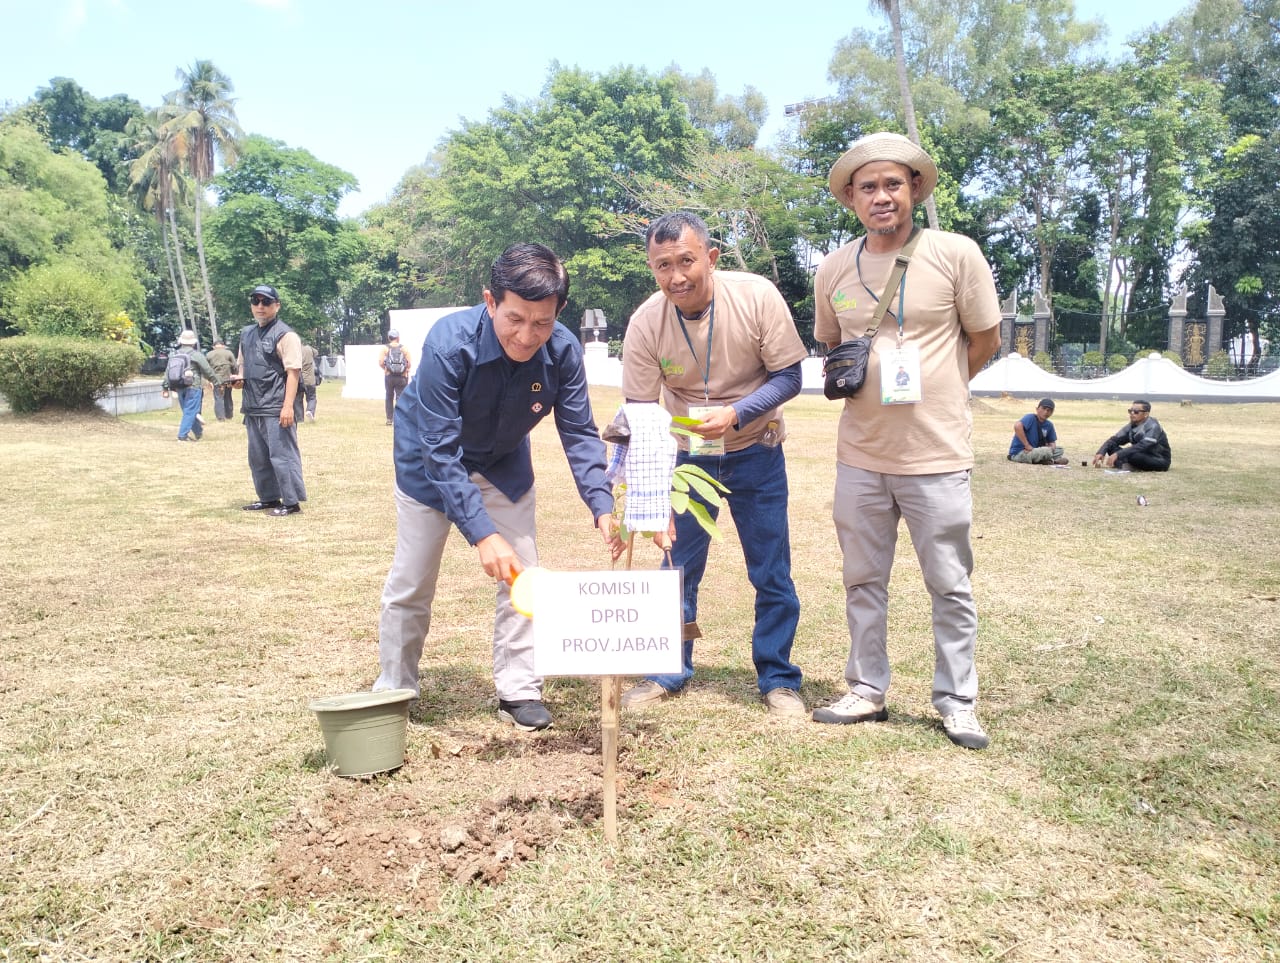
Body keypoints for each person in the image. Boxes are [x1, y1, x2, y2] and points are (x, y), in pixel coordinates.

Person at [372, 244, 622, 731]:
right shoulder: (449, 343)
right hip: (428, 467)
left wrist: (601, 502)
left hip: (504, 465)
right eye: (515, 319)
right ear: (490, 300)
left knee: (524, 576)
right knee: (412, 581)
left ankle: (519, 688)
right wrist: (483, 533)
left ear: (559, 311)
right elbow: (441, 452)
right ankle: (395, 687)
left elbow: (578, 430)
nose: (527, 336)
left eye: (542, 322)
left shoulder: (564, 350)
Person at [811, 132, 1002, 749]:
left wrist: (943, 388)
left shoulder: (955, 254)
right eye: (867, 187)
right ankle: (866, 689)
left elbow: (985, 341)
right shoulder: (834, 268)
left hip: (936, 454)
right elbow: (830, 343)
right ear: (851, 199)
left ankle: (957, 700)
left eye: (893, 183)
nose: (881, 196)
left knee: (949, 582)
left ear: (914, 189)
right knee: (862, 579)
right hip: (861, 455)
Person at [620, 211, 809, 719]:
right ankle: (667, 669)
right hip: (690, 460)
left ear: (710, 257)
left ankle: (777, 678)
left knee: (771, 570)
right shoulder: (645, 322)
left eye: (686, 260)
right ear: (652, 268)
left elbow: (790, 375)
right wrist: (646, 493)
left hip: (757, 449)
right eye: (663, 266)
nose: (677, 276)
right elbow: (640, 414)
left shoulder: (756, 296)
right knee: (677, 569)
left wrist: (738, 412)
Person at [233, 284, 307, 517]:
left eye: (266, 302)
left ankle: (291, 502)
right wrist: (238, 380)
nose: (260, 306)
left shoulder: (286, 335)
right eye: (256, 301)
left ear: (277, 306)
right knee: (258, 458)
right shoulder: (246, 334)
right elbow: (243, 366)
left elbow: (293, 372)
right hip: (253, 405)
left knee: (282, 456)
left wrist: (287, 407)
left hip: (276, 406)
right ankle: (268, 498)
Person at [1091, 400, 1171, 471]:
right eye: (1130, 411)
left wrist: (1118, 454)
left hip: (1158, 460)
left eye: (1136, 411)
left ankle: (1124, 464)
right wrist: (1101, 452)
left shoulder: (1153, 426)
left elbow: (1142, 446)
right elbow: (1113, 440)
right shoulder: (1131, 425)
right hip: (1139, 455)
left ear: (1146, 414)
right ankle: (1129, 465)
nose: (1132, 413)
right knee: (1111, 447)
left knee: (1131, 454)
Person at [170, 329, 220, 442]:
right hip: (193, 385)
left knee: (188, 411)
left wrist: (165, 386)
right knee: (190, 410)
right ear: (193, 343)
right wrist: (217, 382)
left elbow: (168, 371)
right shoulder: (196, 355)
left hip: (179, 386)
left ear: (181, 342)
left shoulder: (175, 355)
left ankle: (198, 432)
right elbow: (207, 370)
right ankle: (182, 436)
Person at [1008, 398, 1067, 464]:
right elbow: (1017, 426)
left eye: (1049, 410)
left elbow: (1052, 442)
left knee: (1059, 450)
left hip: (1036, 450)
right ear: (1037, 409)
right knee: (1046, 451)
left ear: (1052, 413)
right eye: (1044, 408)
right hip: (1021, 452)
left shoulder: (1049, 425)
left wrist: (1051, 448)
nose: (1046, 412)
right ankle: (1051, 460)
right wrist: (1027, 445)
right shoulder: (1030, 418)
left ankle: (1045, 459)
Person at [380, 328, 412, 425]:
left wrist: (387, 369)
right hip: (402, 377)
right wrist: (403, 370)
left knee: (389, 397)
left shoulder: (385, 348)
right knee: (400, 398)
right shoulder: (404, 348)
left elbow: (381, 362)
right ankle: (400, 419)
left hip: (389, 376)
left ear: (389, 338)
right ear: (398, 337)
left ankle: (389, 419)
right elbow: (409, 363)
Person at [205, 338, 238, 422]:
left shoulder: (209, 354)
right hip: (228, 379)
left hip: (216, 380)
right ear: (223, 346)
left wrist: (209, 380)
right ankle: (229, 415)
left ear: (213, 347)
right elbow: (234, 366)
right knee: (228, 397)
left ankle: (220, 418)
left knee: (218, 398)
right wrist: (235, 376)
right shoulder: (228, 353)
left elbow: (206, 369)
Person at [299, 342, 318, 422]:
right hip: (310, 379)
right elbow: (316, 353)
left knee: (298, 399)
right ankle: (310, 410)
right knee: (312, 398)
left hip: (299, 379)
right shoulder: (308, 349)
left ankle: (299, 418)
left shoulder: (295, 350)